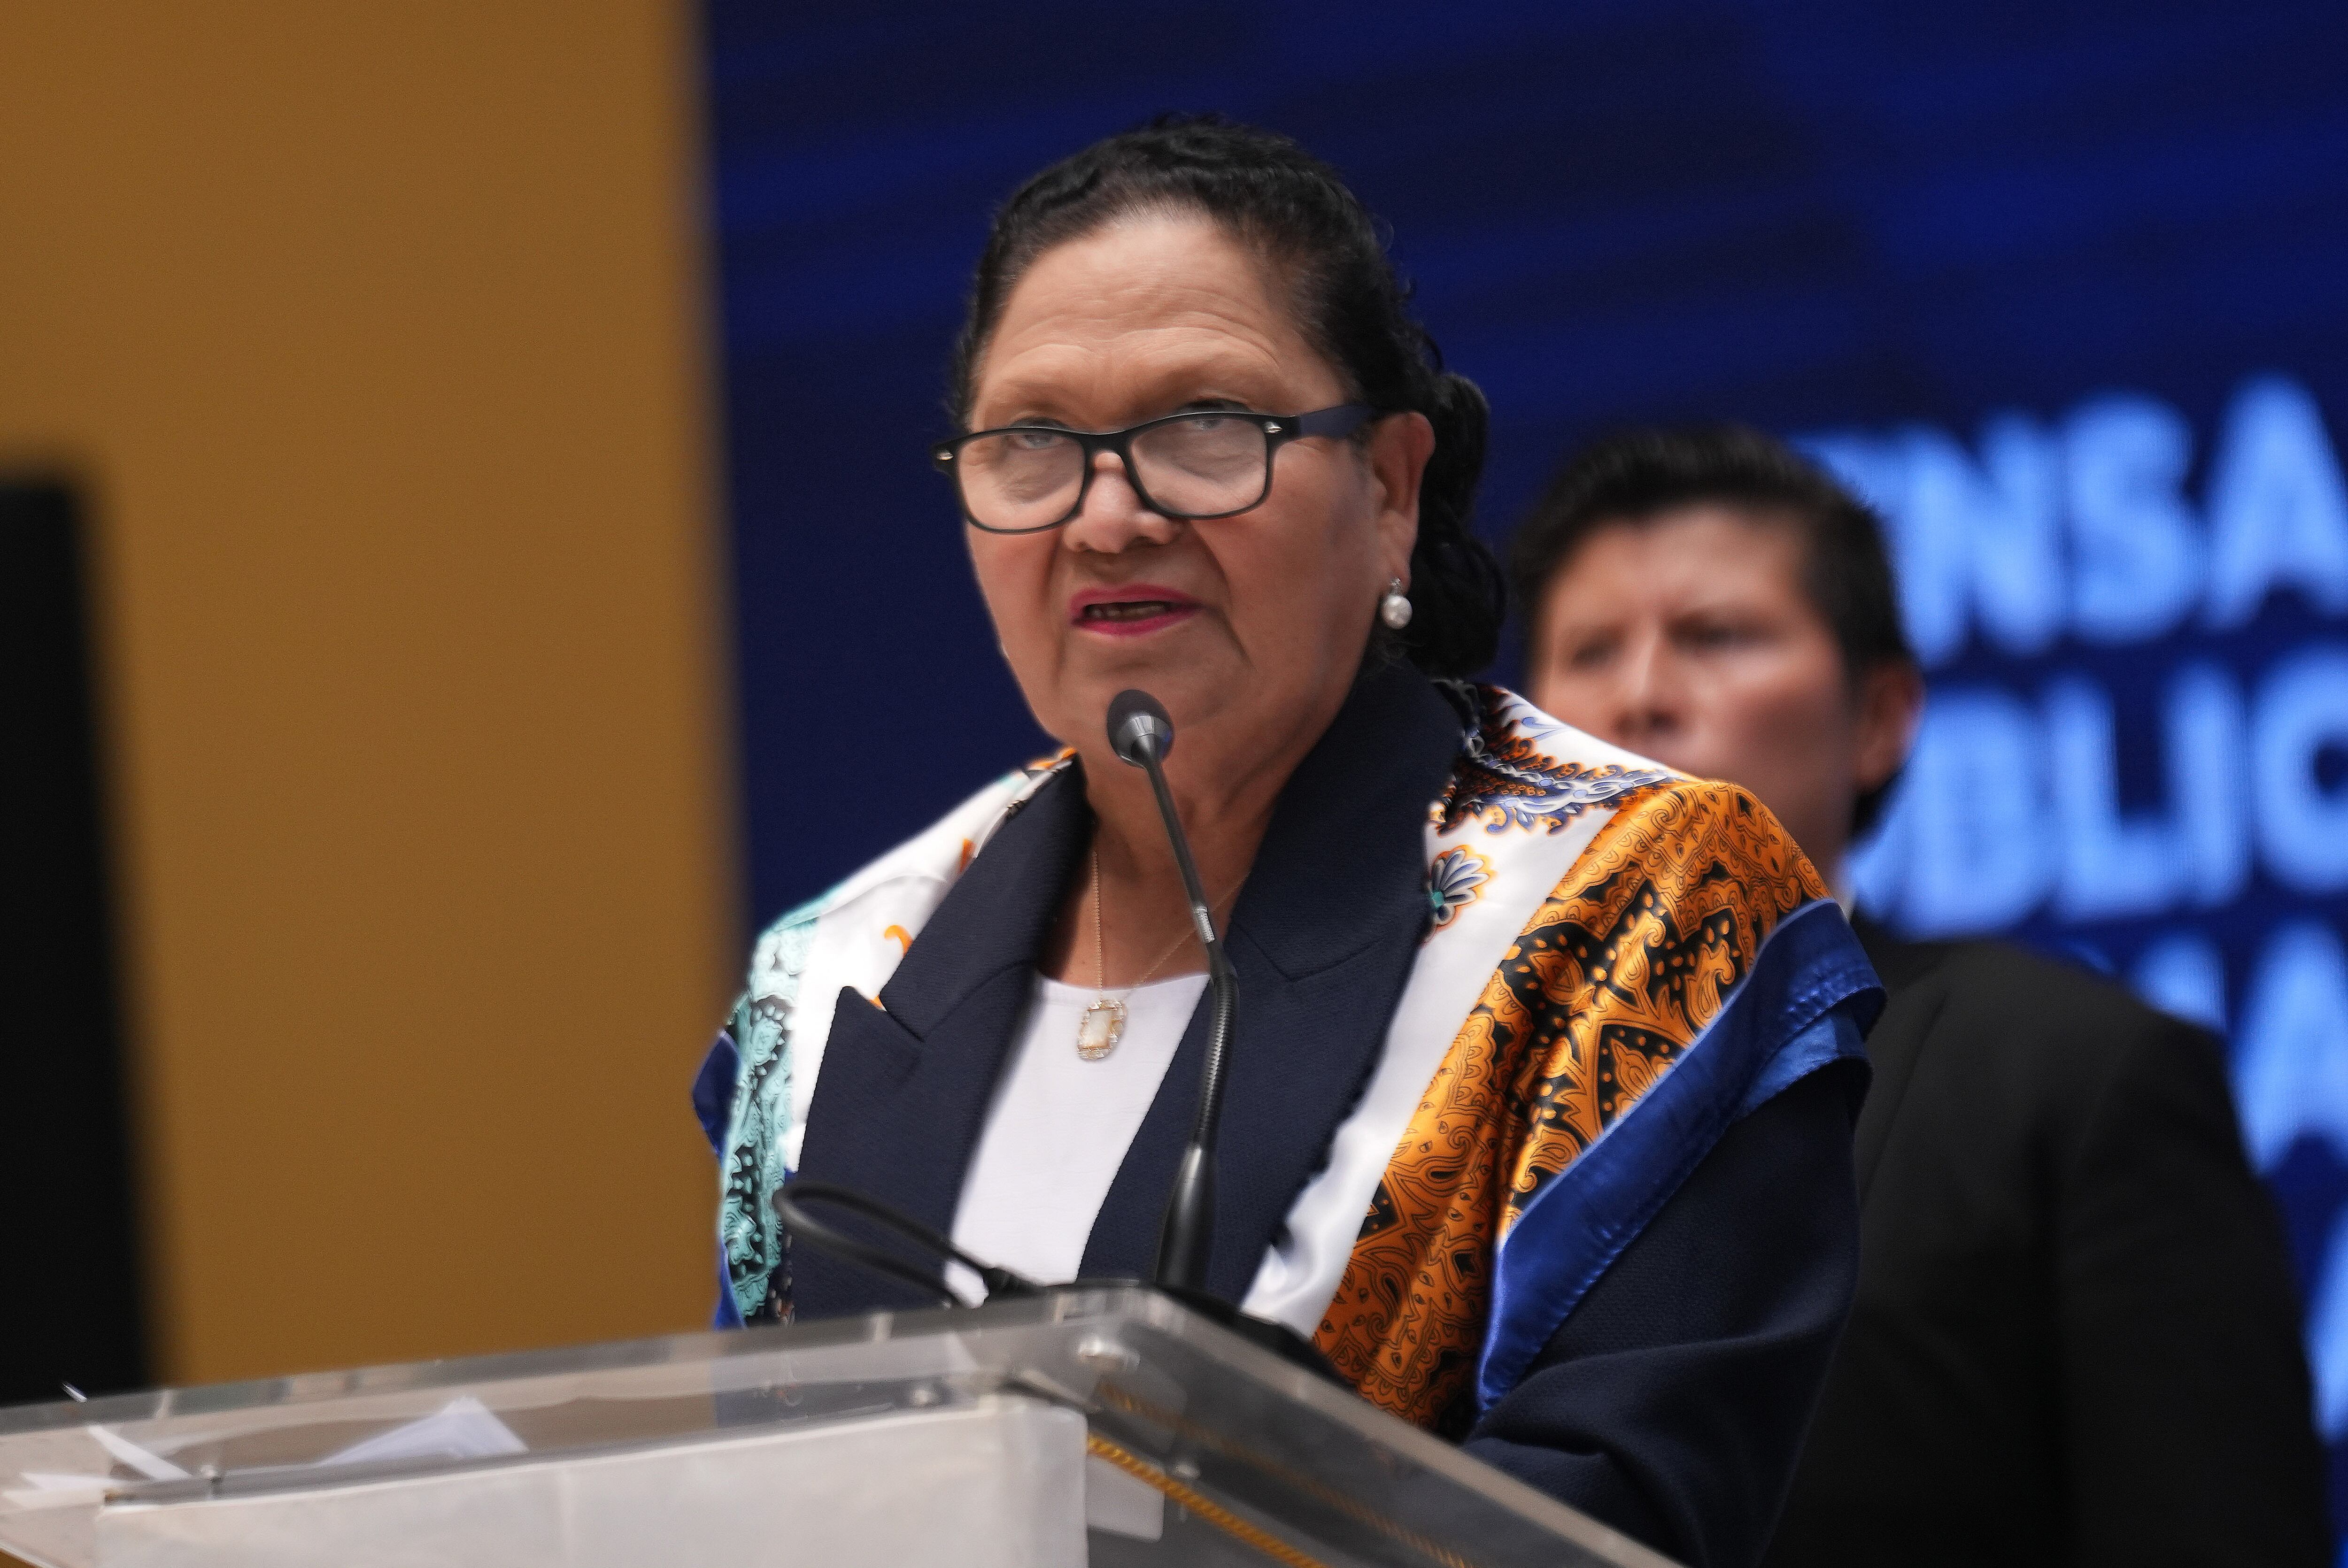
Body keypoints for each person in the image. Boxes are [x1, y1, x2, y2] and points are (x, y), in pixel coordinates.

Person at [690, 121, 1882, 1567]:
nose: (1106, 517)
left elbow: (1613, 1511)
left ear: (1388, 487)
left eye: (1205, 427)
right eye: (1031, 444)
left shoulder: (1635, 900)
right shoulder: (840, 971)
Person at [1511, 424, 2331, 1568]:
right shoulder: (1428, 1094)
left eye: (1715, 636)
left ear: (1881, 717)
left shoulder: (2073, 1076)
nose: (1639, 695)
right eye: (1589, 651)